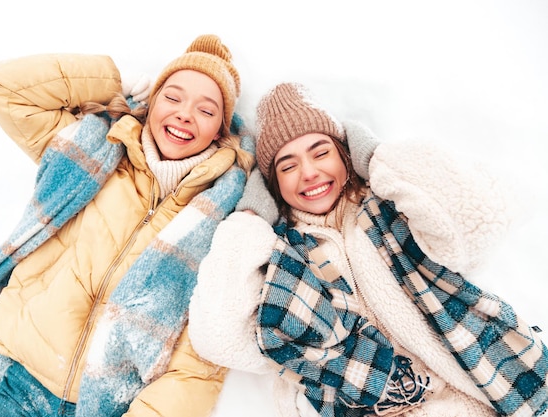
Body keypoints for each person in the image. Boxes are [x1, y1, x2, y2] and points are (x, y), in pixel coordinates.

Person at [0, 34, 254, 417]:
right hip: (18, 386)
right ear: (150, 102)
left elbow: (200, 351)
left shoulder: (222, 215)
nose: (185, 114)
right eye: (172, 97)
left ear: (220, 129)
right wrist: (113, 82)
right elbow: (5, 88)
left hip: (106, 407)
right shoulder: (88, 151)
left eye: (206, 110)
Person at [188, 82, 548, 416]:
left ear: (346, 155)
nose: (310, 172)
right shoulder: (282, 256)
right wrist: (250, 219)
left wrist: (379, 159)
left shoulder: (395, 206)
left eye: (321, 152)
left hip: (489, 382)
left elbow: (480, 221)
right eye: (288, 165)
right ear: (273, 184)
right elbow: (219, 336)